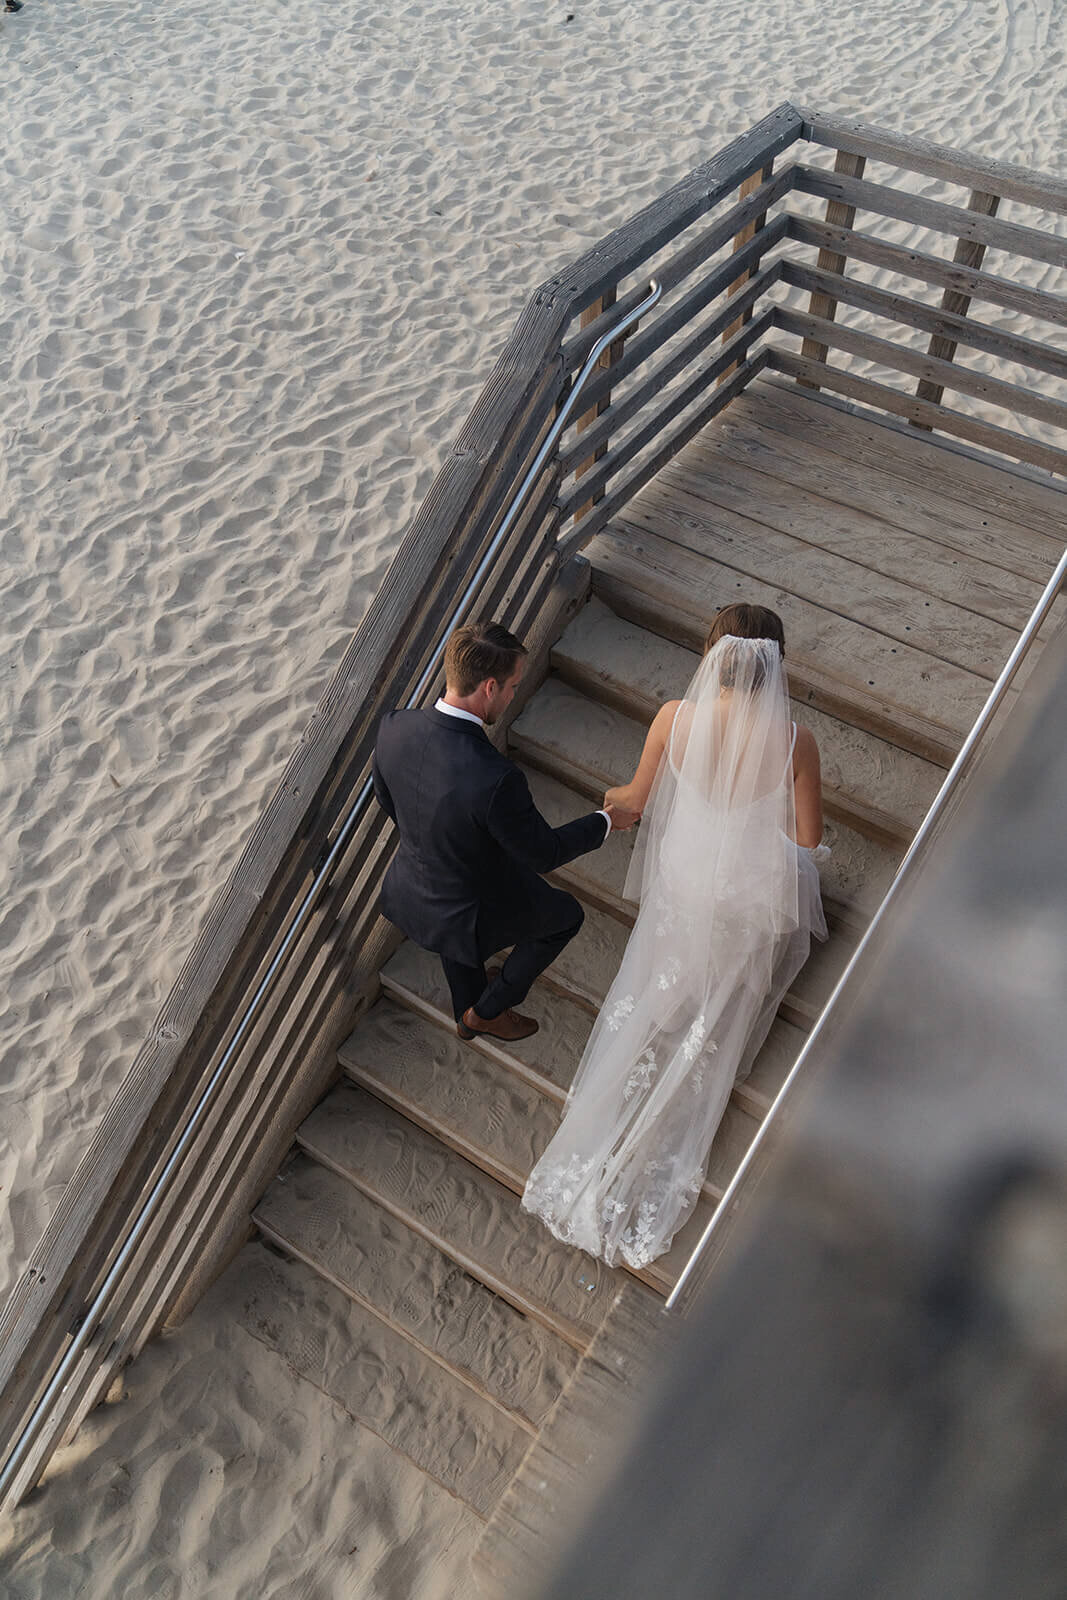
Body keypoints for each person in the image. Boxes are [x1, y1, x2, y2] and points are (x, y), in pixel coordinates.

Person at [522, 603, 828, 1269]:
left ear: (712, 657)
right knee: (753, 935)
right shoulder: (795, 741)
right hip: (744, 891)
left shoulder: (672, 718)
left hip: (685, 877)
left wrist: (614, 802)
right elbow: (807, 842)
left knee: (659, 977)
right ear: (775, 667)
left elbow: (631, 797)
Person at [372, 620, 639, 1043]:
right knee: (565, 916)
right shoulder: (495, 777)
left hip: (411, 888)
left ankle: (465, 1015)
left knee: (459, 923)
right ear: (490, 688)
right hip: (468, 907)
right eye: (514, 685)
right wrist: (607, 820)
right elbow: (543, 854)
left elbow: (387, 801)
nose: (515, 693)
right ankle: (487, 1011)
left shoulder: (393, 726)